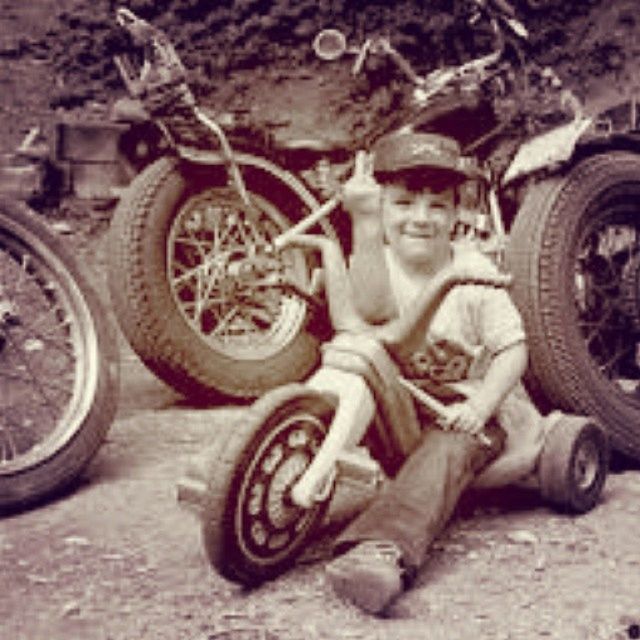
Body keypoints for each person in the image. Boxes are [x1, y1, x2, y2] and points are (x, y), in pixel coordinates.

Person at [284, 129, 529, 615]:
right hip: (397, 402)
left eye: (437, 205)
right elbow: (359, 324)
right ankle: (249, 468)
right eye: (403, 203)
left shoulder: (472, 270)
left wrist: (481, 405)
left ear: (457, 214)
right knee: (340, 372)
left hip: (462, 409)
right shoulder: (374, 264)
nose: (420, 217)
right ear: (381, 208)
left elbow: (513, 350)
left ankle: (383, 547)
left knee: (450, 443)